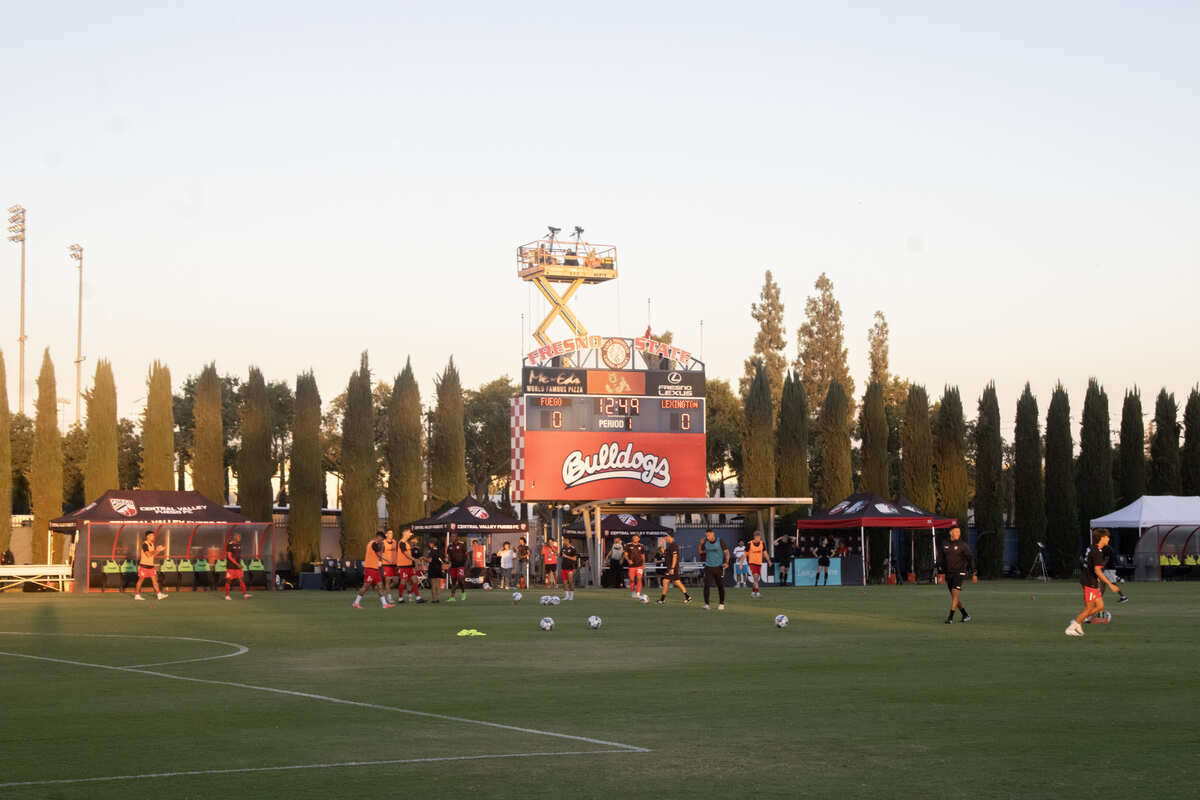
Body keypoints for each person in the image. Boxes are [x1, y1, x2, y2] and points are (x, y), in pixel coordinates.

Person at [1067, 529, 1125, 636]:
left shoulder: (1092, 548)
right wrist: (1110, 585)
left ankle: (1079, 622)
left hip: (1089, 579)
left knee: (1099, 606)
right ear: (1101, 538)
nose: (1108, 539)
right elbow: (1097, 570)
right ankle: (1073, 625)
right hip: (1090, 582)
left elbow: (1089, 564)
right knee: (1090, 607)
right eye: (1107, 537)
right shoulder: (1097, 552)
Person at [941, 527, 976, 623]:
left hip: (959, 572)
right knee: (954, 597)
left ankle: (950, 618)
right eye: (956, 531)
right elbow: (942, 558)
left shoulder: (963, 545)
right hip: (949, 573)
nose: (958, 533)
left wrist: (974, 572)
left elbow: (970, 558)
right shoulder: (945, 543)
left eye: (959, 532)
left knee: (955, 593)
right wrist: (938, 567)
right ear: (950, 532)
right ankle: (965, 615)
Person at [353, 531, 393, 609]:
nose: (382, 540)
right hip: (370, 568)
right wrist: (387, 559)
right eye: (382, 538)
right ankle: (356, 602)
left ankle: (384, 604)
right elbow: (379, 554)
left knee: (380, 586)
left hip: (375, 568)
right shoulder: (373, 543)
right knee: (365, 586)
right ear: (378, 537)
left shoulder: (372, 543)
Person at [656, 531, 692, 605]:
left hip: (672, 568)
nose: (665, 538)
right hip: (671, 568)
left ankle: (662, 600)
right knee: (677, 582)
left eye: (666, 537)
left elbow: (675, 557)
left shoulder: (674, 545)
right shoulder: (670, 546)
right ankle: (688, 597)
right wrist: (662, 543)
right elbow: (663, 553)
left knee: (665, 581)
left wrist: (672, 568)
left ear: (670, 536)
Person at [697, 530, 729, 610]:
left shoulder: (720, 541)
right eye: (706, 535)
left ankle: (721, 604)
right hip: (708, 567)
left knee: (720, 586)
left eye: (708, 535)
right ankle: (707, 604)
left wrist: (727, 562)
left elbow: (727, 553)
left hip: (718, 567)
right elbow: (700, 552)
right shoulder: (705, 542)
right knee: (706, 585)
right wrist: (700, 544)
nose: (707, 537)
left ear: (713, 534)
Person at [133, 530, 167, 601]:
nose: (153, 537)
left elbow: (153, 555)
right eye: (152, 535)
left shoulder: (152, 544)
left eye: (153, 535)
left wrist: (158, 550)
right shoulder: (144, 544)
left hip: (151, 566)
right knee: (140, 581)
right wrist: (156, 550)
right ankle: (136, 595)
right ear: (147, 536)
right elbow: (148, 554)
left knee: (155, 581)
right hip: (144, 566)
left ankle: (159, 595)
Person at [223, 532, 252, 600]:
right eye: (239, 537)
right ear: (235, 537)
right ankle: (227, 596)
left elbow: (238, 555)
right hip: (231, 567)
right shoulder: (230, 545)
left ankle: (245, 595)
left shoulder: (239, 545)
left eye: (240, 537)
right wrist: (237, 564)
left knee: (241, 580)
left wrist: (239, 563)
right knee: (228, 581)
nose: (240, 538)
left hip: (238, 567)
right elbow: (229, 557)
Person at [396, 530, 422, 603]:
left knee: (415, 580)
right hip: (403, 566)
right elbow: (406, 554)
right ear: (404, 533)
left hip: (409, 565)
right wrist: (415, 560)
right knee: (403, 582)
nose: (410, 535)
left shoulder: (407, 543)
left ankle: (417, 597)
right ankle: (400, 598)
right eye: (409, 533)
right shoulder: (402, 543)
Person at [446, 534, 469, 602]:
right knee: (453, 582)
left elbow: (466, 555)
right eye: (451, 537)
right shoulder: (450, 546)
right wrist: (448, 563)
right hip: (453, 566)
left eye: (453, 536)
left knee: (460, 579)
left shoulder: (462, 545)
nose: (452, 538)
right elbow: (449, 556)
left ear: (457, 537)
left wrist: (466, 564)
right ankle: (452, 597)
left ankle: (463, 592)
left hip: (461, 565)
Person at [747, 531, 770, 597]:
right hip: (752, 563)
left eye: (759, 536)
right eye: (756, 536)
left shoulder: (762, 544)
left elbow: (765, 553)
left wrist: (769, 561)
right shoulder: (749, 543)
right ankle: (758, 593)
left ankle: (753, 592)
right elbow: (746, 553)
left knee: (756, 579)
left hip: (759, 563)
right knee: (756, 578)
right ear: (754, 537)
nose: (758, 538)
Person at [624, 534, 647, 599]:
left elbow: (643, 555)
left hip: (639, 565)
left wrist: (643, 564)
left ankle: (638, 593)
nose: (635, 539)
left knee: (639, 579)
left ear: (639, 539)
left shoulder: (641, 546)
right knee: (632, 580)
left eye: (637, 538)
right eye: (634, 537)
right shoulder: (628, 545)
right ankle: (633, 592)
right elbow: (625, 555)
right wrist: (628, 560)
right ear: (632, 538)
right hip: (631, 566)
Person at [380, 529, 400, 604]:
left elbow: (397, 552)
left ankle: (386, 591)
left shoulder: (395, 542)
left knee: (396, 581)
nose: (391, 534)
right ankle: (389, 597)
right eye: (389, 533)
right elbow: (380, 554)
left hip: (394, 564)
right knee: (387, 581)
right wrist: (387, 559)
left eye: (392, 533)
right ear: (386, 535)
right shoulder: (383, 543)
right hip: (386, 564)